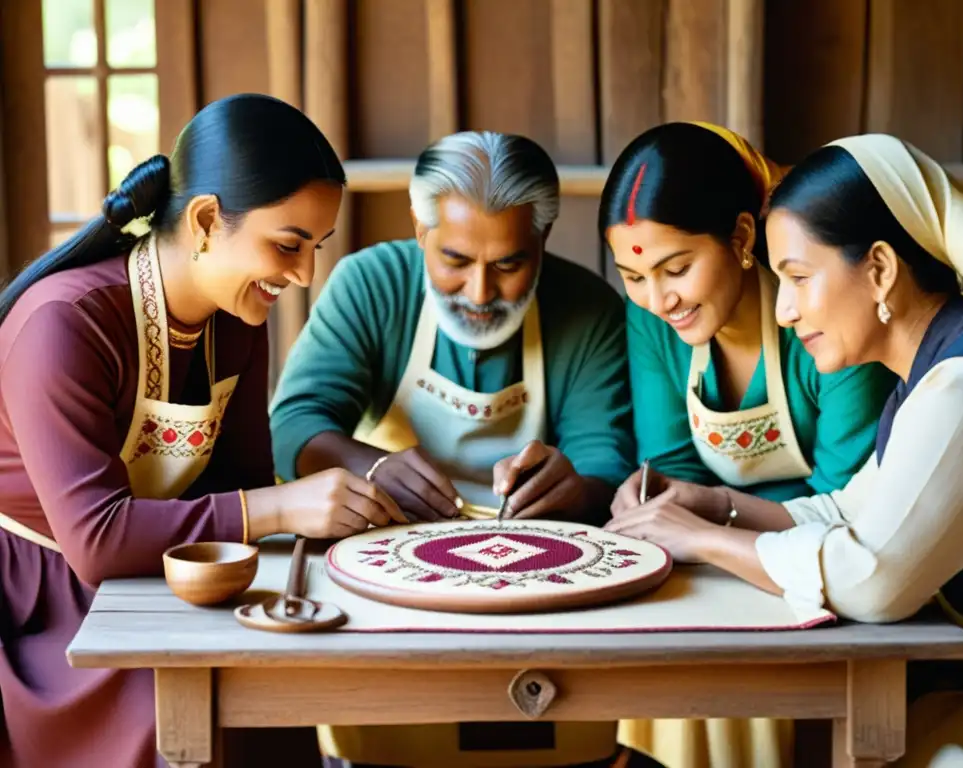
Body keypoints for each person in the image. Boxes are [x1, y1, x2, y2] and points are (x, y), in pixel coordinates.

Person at [0, 93, 405, 768]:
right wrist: (285, 503)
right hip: (46, 607)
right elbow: (97, 542)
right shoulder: (64, 324)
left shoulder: (237, 320)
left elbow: (241, 485)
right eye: (287, 245)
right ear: (207, 219)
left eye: (316, 249)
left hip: (171, 577)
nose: (304, 275)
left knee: (273, 692)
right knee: (183, 725)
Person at [607, 134, 963, 767]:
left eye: (799, 279)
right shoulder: (934, 372)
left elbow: (871, 580)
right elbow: (845, 512)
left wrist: (705, 541)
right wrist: (713, 504)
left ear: (879, 269)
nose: (787, 310)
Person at [269, 130, 653, 767]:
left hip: (539, 578)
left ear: (542, 243)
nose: (479, 292)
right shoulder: (370, 286)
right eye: (455, 260)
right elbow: (296, 425)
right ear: (419, 233)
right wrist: (375, 467)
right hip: (388, 568)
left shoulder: (586, 309)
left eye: (509, 264)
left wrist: (577, 488)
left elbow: (607, 466)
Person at [599, 122, 897, 768]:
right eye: (633, 276)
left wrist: (708, 509)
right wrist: (659, 497)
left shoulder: (824, 320)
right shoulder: (653, 319)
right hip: (715, 560)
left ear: (740, 237)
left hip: (822, 573)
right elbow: (672, 462)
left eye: (676, 268)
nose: (659, 299)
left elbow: (844, 501)